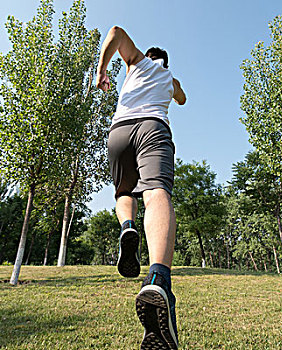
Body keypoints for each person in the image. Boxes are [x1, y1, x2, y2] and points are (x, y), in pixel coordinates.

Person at [96, 26, 186, 350]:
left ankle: (127, 227)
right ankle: (159, 277)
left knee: (123, 193)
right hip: (153, 128)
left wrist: (103, 70)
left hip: (119, 131)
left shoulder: (136, 64)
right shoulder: (168, 77)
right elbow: (183, 98)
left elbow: (116, 33)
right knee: (156, 192)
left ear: (147, 57)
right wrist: (172, 85)